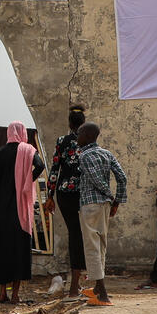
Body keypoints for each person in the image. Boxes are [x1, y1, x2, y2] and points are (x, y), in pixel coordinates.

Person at [0, 122, 44, 305]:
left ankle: (2, 292)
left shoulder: (0, 152)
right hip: (21, 206)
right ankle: (15, 295)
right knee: (20, 249)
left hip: (3, 207)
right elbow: (41, 165)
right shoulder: (28, 150)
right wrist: (28, 181)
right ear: (23, 133)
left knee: (4, 248)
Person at [75, 122, 128, 306]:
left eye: (80, 134)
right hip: (105, 206)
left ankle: (102, 293)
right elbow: (122, 178)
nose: (77, 137)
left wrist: (110, 195)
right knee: (101, 245)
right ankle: (98, 288)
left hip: (90, 204)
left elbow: (96, 179)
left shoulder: (84, 156)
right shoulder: (107, 153)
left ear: (88, 136)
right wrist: (116, 202)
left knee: (92, 247)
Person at [43, 104, 88, 298]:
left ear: (69, 122)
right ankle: (78, 281)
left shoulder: (62, 141)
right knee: (84, 235)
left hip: (64, 193)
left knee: (74, 233)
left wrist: (49, 197)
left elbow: (54, 171)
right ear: (84, 123)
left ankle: (74, 282)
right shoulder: (88, 141)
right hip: (85, 194)